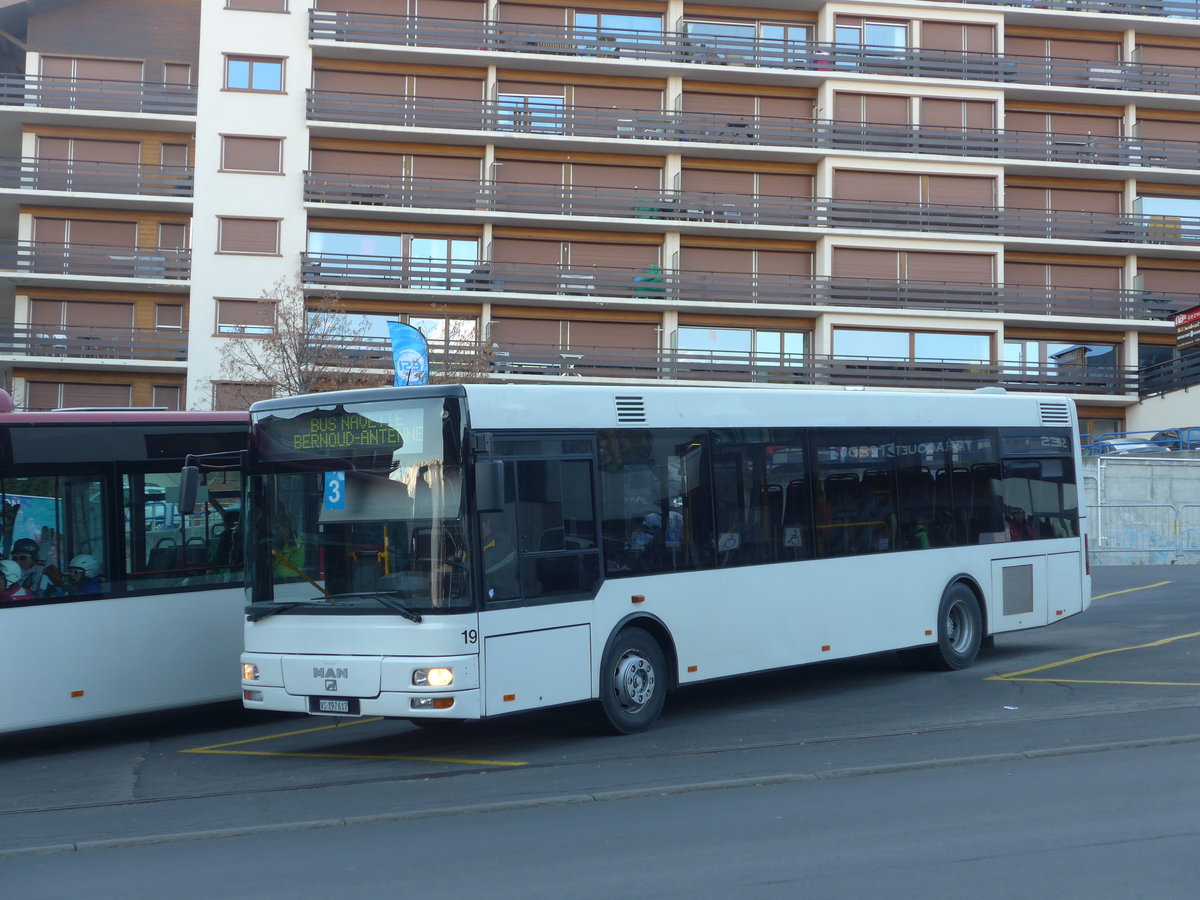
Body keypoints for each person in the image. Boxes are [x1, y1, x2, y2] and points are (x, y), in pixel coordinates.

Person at [480, 514, 519, 601]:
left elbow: (485, 564)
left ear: (487, 523)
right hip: (488, 590)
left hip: (505, 594)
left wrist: (456, 567)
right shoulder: (480, 541)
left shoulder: (501, 541)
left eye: (480, 523)